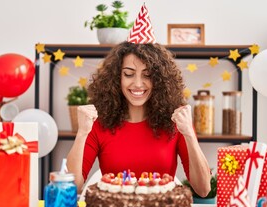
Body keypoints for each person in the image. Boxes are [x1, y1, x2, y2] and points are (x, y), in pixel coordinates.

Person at [67, 41, 211, 197]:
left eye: (147, 75)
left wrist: (189, 132)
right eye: (129, 74)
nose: (137, 84)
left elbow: (203, 189)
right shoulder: (97, 124)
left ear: (159, 79)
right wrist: (82, 133)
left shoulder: (176, 122)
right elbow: (73, 187)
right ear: (117, 77)